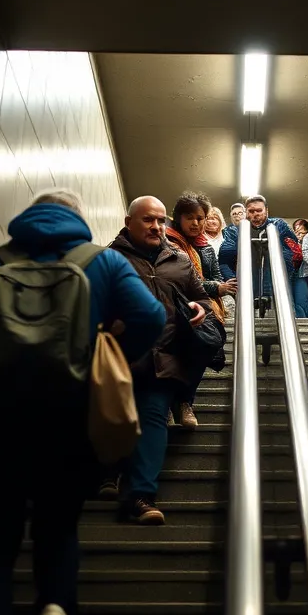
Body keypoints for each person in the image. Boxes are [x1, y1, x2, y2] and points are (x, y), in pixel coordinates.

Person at [0, 188, 166, 615]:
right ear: (78, 221)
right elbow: (151, 316)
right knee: (58, 526)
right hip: (69, 417)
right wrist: (109, 350)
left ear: (29, 217)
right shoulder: (104, 263)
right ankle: (55, 605)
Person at [109, 196, 214, 525]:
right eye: (147, 220)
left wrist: (201, 309)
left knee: (154, 416)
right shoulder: (110, 259)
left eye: (159, 220)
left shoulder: (179, 261)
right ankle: (107, 475)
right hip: (120, 356)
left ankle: (141, 495)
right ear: (129, 222)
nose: (156, 226)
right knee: (115, 418)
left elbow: (202, 298)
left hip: (165, 356)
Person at [164, 191, 235, 429]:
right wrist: (217, 287)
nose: (195, 223)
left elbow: (213, 275)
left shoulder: (205, 246)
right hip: (175, 307)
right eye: (189, 218)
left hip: (204, 307)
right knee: (177, 354)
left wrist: (215, 286)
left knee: (203, 348)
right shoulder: (168, 242)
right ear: (178, 218)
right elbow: (180, 280)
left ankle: (185, 401)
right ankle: (168, 404)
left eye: (200, 218)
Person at [218, 195, 296, 305]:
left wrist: (283, 277)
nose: (256, 214)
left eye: (259, 210)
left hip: (276, 283)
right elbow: (224, 260)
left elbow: (292, 252)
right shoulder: (234, 231)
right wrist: (235, 283)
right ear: (246, 212)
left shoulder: (278, 225)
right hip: (247, 285)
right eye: (251, 211)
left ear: (266, 210)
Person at [204, 207, 236, 319]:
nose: (211, 221)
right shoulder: (200, 239)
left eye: (215, 218)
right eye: (208, 219)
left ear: (220, 221)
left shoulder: (228, 237)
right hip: (210, 279)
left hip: (230, 276)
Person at [291, 218, 308, 317]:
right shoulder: (293, 243)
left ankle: (307, 324)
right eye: (296, 232)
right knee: (293, 303)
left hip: (305, 274)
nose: (299, 235)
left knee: (302, 302)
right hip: (293, 273)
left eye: (302, 233)